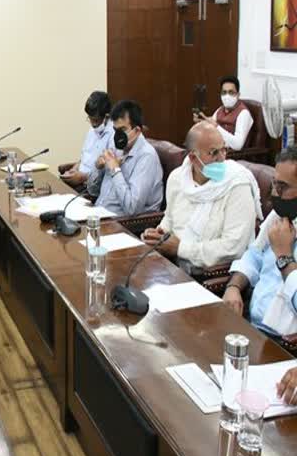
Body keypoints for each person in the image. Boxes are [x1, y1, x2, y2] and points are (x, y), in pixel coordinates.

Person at [142, 122, 260, 272]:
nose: (221, 158)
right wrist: (158, 235)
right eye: (213, 153)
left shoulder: (237, 184)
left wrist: (180, 248)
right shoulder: (177, 178)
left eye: (223, 150)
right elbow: (169, 219)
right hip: (171, 266)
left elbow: (234, 247)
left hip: (209, 275)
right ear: (192, 157)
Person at [224, 146, 297, 349]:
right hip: (250, 326)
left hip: (283, 342)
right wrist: (233, 287)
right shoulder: (279, 217)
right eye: (274, 184)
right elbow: (253, 255)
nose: (275, 193)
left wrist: (284, 256)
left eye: (283, 187)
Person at [86, 100, 163, 216]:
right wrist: (98, 168)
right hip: (98, 213)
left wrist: (116, 170)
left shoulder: (147, 157)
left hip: (121, 224)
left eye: (122, 130)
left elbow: (132, 208)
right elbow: (92, 191)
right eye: (115, 130)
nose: (117, 136)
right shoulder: (115, 148)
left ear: (137, 130)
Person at [61, 91, 114, 188]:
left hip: (91, 186)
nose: (93, 124)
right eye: (90, 119)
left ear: (107, 116)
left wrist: (83, 177)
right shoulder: (92, 130)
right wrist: (74, 169)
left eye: (96, 120)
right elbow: (84, 157)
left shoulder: (113, 135)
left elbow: (107, 173)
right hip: (79, 178)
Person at [194, 75, 253, 151]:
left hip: (231, 155)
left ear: (238, 95)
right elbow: (210, 129)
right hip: (213, 150)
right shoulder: (220, 110)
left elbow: (238, 145)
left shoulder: (244, 113)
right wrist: (201, 122)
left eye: (231, 92)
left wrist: (216, 126)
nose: (227, 96)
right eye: (224, 92)